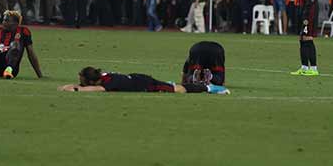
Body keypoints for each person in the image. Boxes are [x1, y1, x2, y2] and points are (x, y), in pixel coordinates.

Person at [58, 66, 229, 94]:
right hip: (138, 78)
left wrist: (74, 89)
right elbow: (83, 86)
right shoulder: (101, 78)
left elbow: (87, 90)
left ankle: (211, 89)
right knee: (172, 86)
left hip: (145, 84)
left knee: (178, 90)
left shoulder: (106, 84)